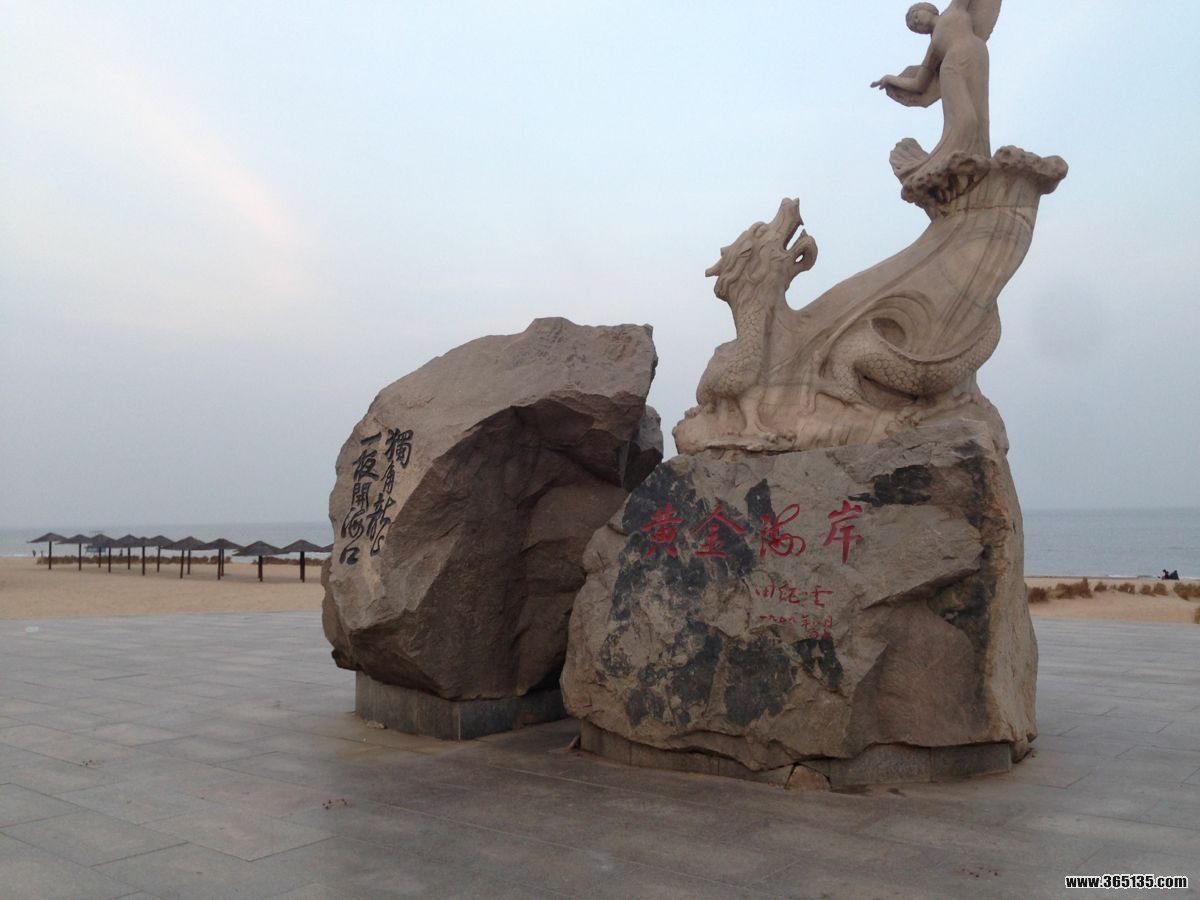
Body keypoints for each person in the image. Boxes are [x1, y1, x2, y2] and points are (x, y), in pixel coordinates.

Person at [871, 1, 994, 181]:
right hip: (952, 69)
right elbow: (918, 84)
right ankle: (955, 162)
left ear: (928, 9)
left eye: (915, 16)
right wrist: (891, 79)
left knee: (981, 118)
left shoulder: (954, 9)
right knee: (965, 118)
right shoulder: (934, 48)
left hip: (978, 55)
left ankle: (980, 160)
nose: (916, 23)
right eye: (913, 27)